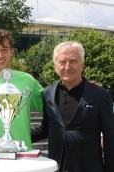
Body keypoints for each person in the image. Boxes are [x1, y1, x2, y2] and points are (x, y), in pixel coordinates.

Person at [31, 41, 114, 172]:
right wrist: (14, 135)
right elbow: (46, 129)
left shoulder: (100, 95)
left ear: (82, 65)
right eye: (62, 62)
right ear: (55, 66)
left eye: (73, 61)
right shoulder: (48, 94)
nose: (67, 67)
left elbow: (110, 138)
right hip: (56, 167)